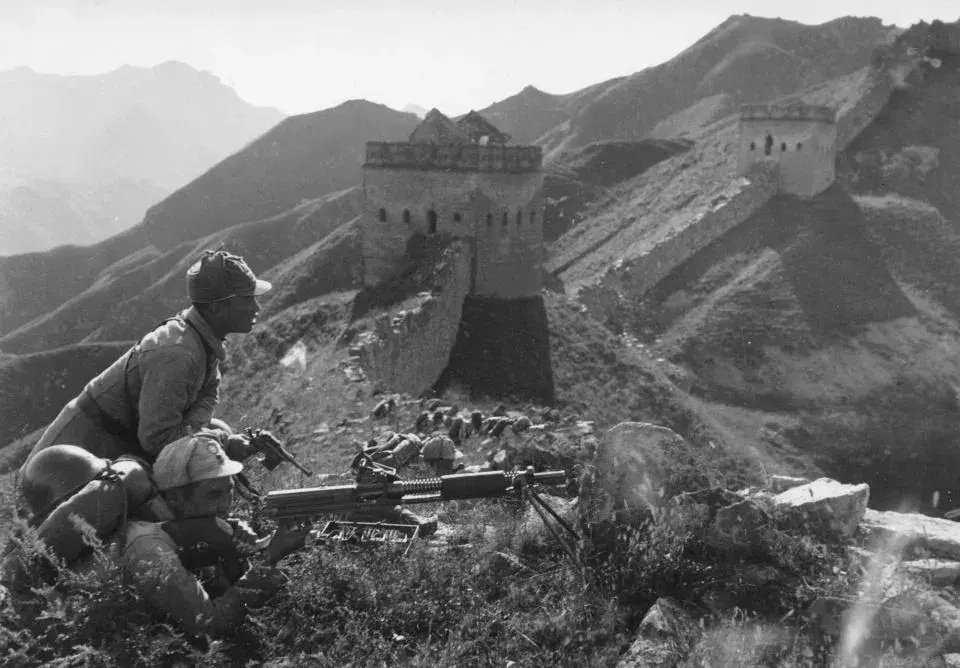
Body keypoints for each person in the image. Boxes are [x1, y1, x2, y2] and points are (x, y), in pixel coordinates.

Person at [22, 248, 270, 470]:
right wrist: (222, 443)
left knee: (215, 434)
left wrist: (206, 435)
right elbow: (157, 440)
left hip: (114, 443)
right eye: (247, 299)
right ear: (216, 307)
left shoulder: (202, 341)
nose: (256, 307)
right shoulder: (178, 353)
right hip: (77, 452)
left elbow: (207, 395)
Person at [118, 432, 307, 636]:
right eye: (214, 494)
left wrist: (251, 548)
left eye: (229, 491)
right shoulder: (149, 550)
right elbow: (210, 626)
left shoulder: (197, 525)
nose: (226, 505)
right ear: (174, 498)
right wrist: (268, 561)